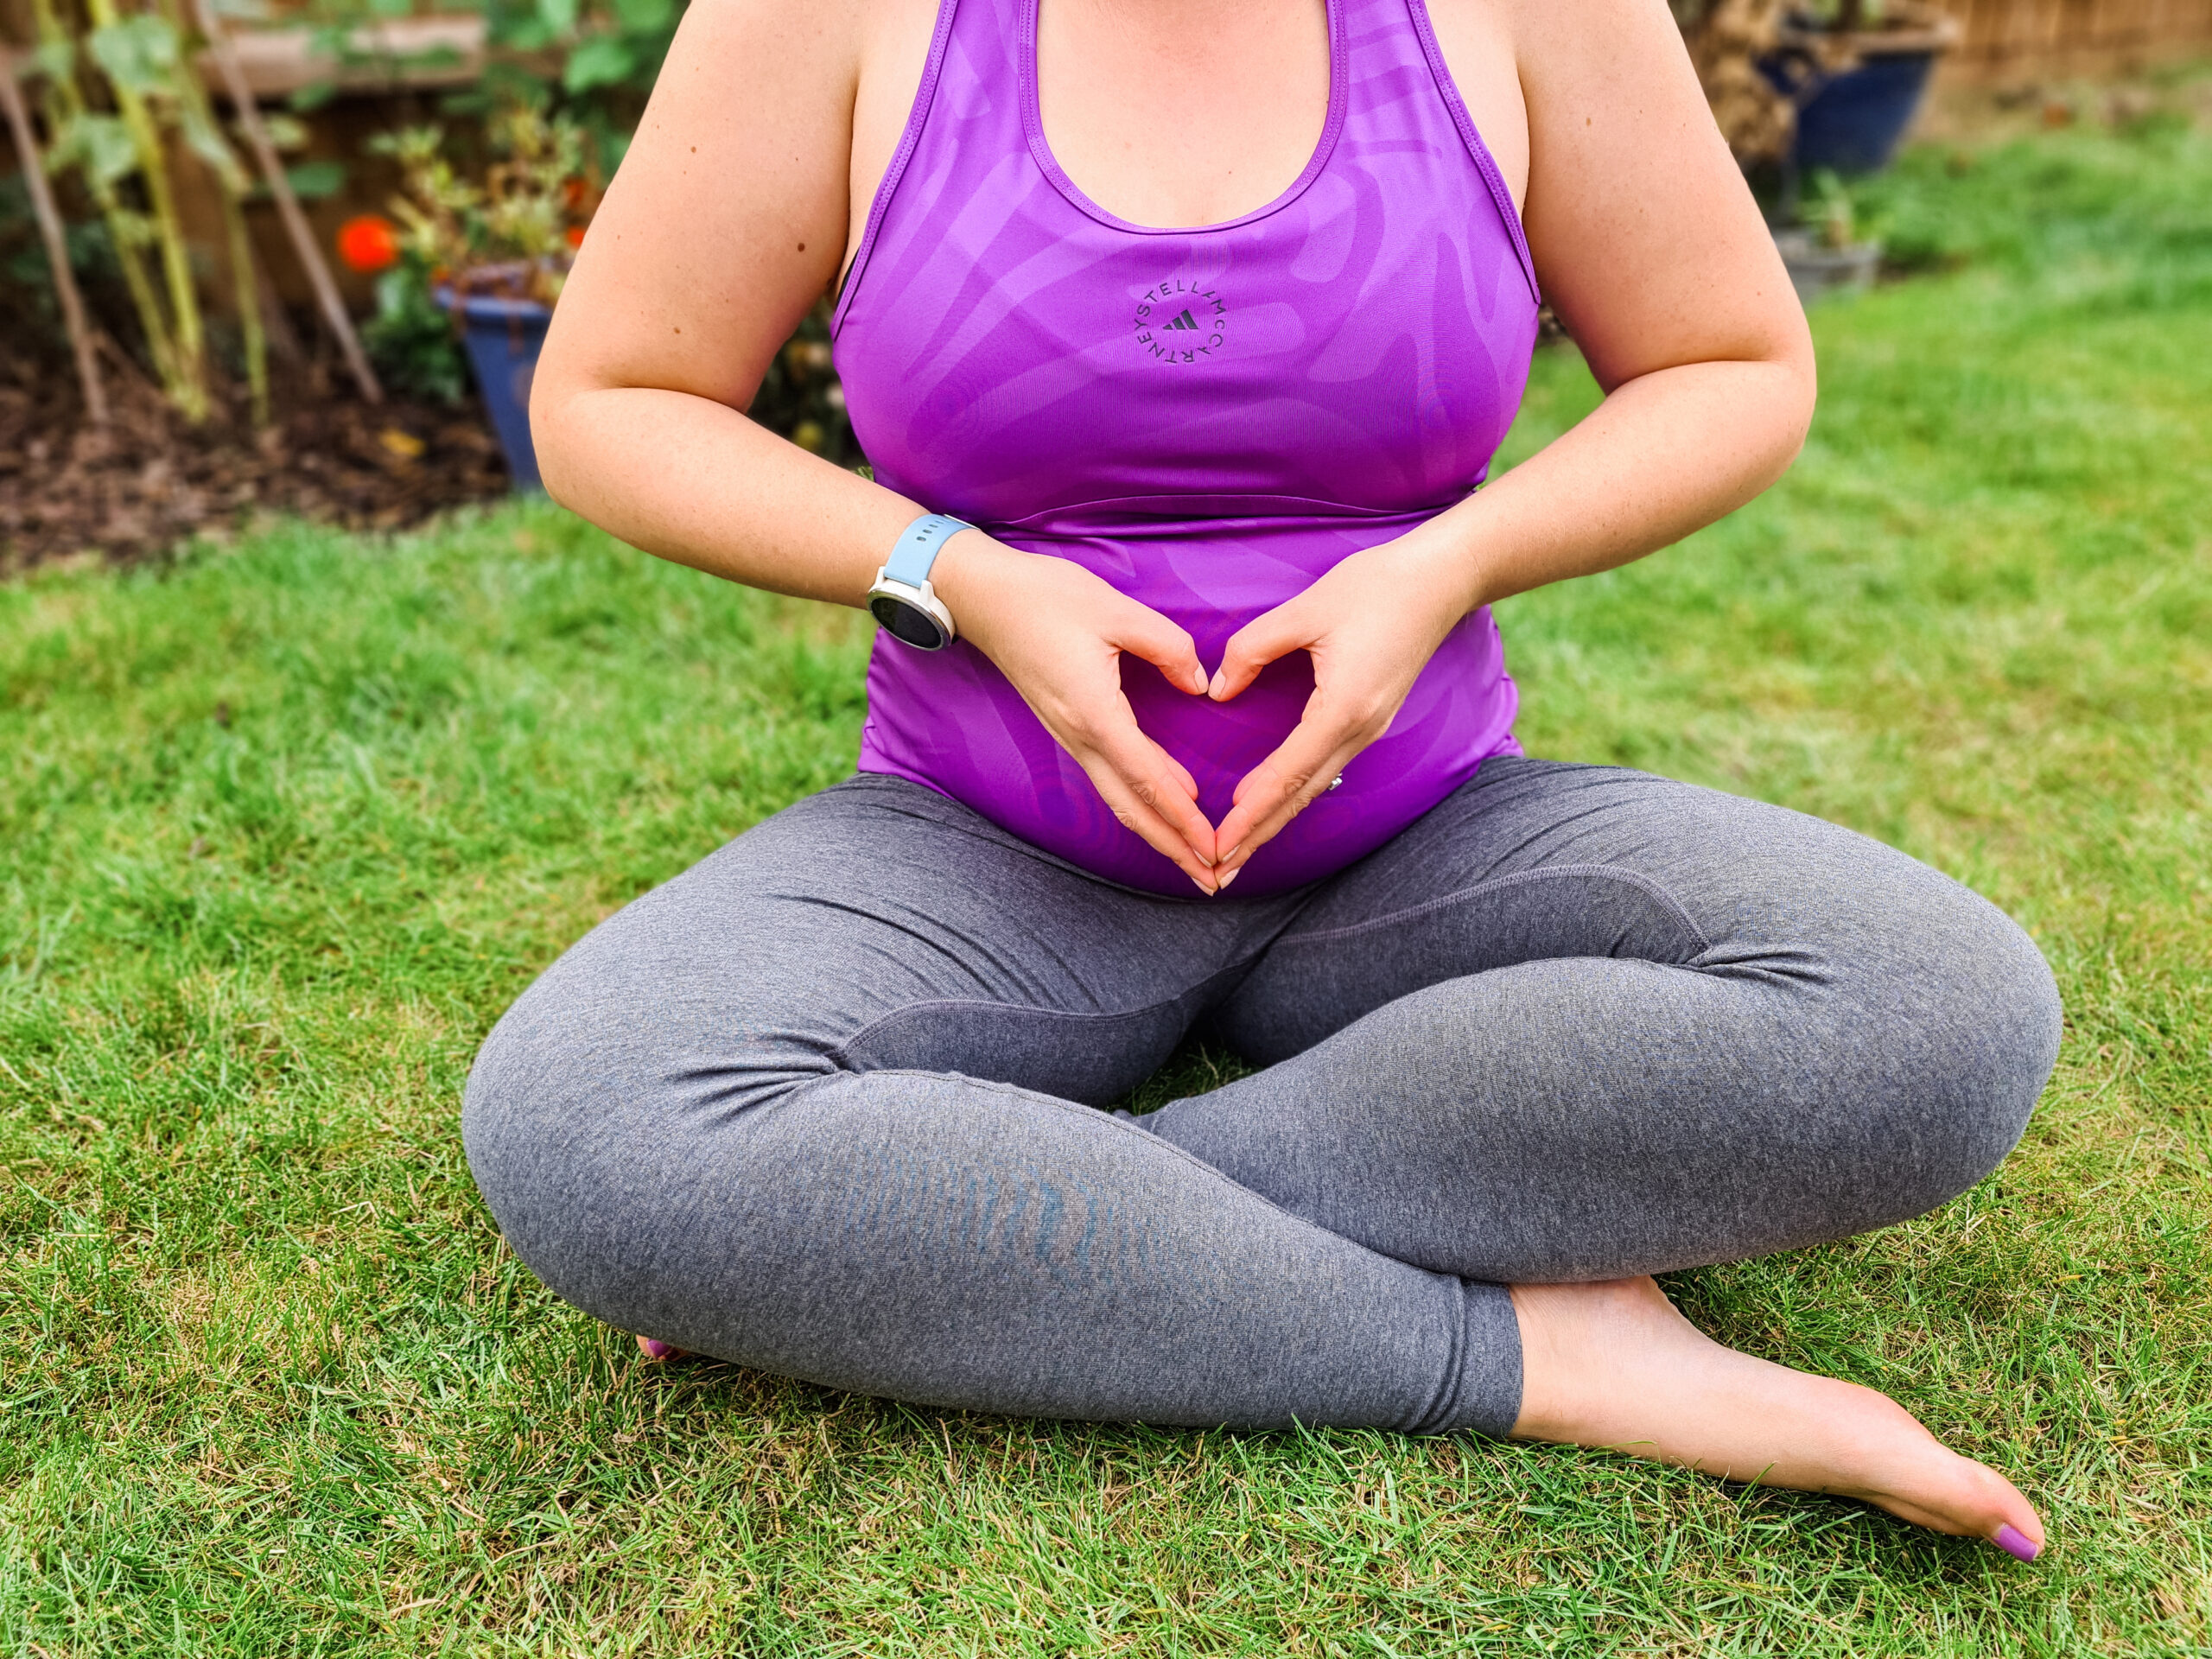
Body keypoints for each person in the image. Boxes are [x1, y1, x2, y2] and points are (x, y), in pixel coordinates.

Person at [465, 0, 2061, 1560]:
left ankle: (928, 1240)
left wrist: (1450, 562)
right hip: (982, 850)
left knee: (1939, 1012)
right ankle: (1540, 1358)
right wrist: (955, 572)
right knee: (588, 1125)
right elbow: (612, 401)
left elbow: (1731, 361)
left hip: (1421, 841)